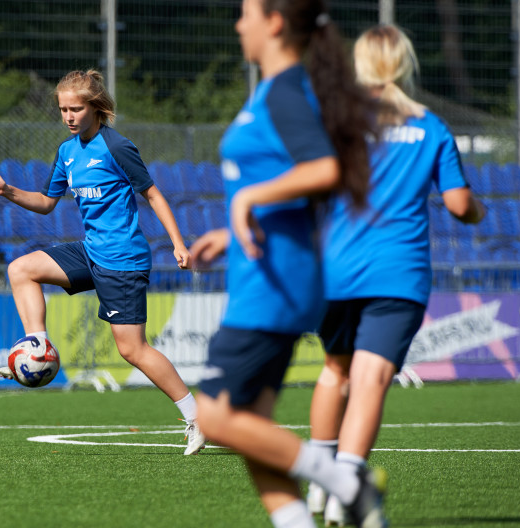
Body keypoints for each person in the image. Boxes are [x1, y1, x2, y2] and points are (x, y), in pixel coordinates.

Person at [189, 1, 388, 527]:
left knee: (215, 417)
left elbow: (324, 168)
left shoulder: (284, 91)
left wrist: (247, 199)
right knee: (253, 429)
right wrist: (230, 232)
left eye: (245, 13)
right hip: (267, 273)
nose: (239, 24)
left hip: (275, 286)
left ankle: (347, 481)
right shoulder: (274, 90)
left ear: (274, 22)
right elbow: (292, 186)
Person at [305, 24, 486, 525]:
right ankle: (347, 487)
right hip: (397, 272)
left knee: (335, 371)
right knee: (372, 376)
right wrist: (478, 211)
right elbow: (459, 205)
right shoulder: (430, 126)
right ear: (405, 64)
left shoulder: (335, 121)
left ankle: (320, 485)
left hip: (336, 270)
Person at [0, 69, 206, 456]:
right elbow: (46, 204)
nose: (68, 116)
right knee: (21, 269)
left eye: (76, 109)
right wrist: (7, 190)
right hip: (92, 250)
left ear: (95, 108)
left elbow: (153, 195)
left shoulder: (117, 147)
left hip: (123, 259)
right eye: (63, 109)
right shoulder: (67, 152)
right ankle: (37, 344)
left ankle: (197, 416)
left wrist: (179, 244)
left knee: (132, 350)